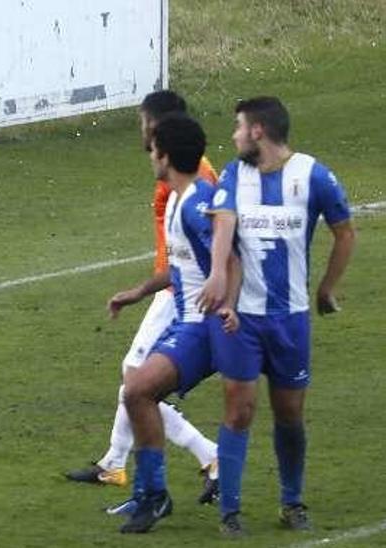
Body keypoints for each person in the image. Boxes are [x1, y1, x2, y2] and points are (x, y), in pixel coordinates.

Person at [199, 96, 356, 537]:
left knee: (289, 413)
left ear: (258, 131)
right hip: (240, 317)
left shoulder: (313, 175)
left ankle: (292, 501)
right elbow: (224, 229)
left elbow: (344, 232)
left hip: (290, 318)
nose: (233, 136)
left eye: (238, 127)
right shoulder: (233, 175)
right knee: (239, 409)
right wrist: (217, 279)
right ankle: (230, 511)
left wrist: (326, 287)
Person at [65, 91, 219, 504]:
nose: (140, 132)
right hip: (173, 287)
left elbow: (214, 247)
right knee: (133, 378)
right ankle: (115, 463)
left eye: (142, 122)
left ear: (156, 126)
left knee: (136, 384)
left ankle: (209, 456)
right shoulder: (180, 173)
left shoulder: (196, 180)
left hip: (185, 293)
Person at [114, 114, 240, 534]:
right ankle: (151, 493)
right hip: (186, 322)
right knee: (134, 389)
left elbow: (227, 260)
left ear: (165, 155)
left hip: (202, 326)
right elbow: (184, 267)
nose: (149, 156)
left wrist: (227, 304)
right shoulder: (176, 199)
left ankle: (154, 494)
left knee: (136, 390)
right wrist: (138, 291)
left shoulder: (197, 201)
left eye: (153, 150)